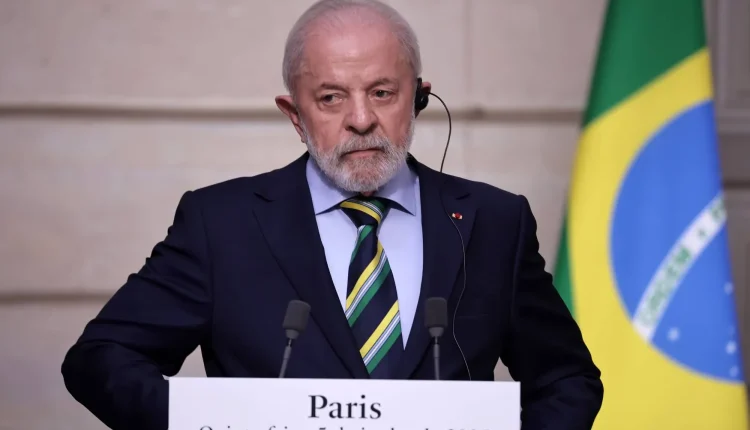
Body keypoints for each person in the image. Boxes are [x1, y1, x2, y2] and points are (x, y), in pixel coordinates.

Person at [61, 0, 603, 428]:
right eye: (330, 98)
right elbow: (100, 358)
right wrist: (209, 424)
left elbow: (566, 379)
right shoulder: (220, 225)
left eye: (382, 92)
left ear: (419, 98)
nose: (361, 119)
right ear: (295, 116)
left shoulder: (495, 222)